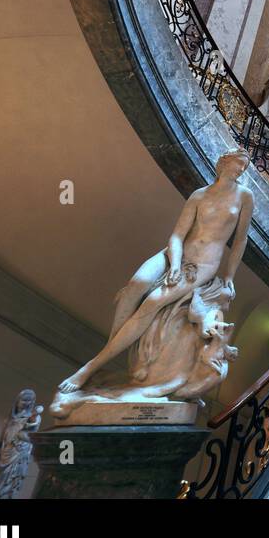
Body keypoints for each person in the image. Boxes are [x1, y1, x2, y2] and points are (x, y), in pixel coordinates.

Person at [58, 148, 254, 395]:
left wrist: (229, 277)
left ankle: (91, 366)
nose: (241, 169)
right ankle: (113, 346)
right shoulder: (199, 195)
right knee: (136, 284)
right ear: (224, 162)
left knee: (152, 301)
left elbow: (240, 241)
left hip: (202, 266)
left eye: (244, 166)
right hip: (174, 254)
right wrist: (173, 264)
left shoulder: (244, 197)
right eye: (239, 163)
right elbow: (177, 235)